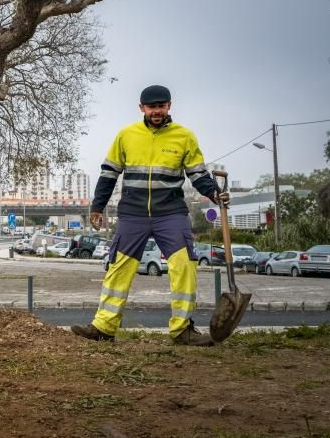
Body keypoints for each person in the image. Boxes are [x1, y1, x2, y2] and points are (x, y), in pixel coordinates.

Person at [71, 85, 229, 346]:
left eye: (161, 106)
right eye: (151, 107)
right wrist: (97, 207)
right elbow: (109, 174)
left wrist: (214, 193)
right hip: (132, 213)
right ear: (141, 108)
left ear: (169, 106)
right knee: (118, 268)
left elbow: (198, 174)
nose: (157, 111)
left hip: (171, 213)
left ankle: (182, 330)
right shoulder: (126, 135)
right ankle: (103, 328)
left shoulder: (185, 136)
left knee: (184, 266)